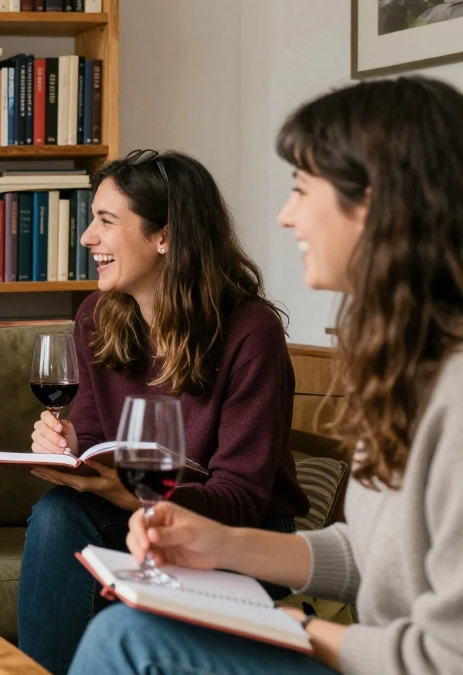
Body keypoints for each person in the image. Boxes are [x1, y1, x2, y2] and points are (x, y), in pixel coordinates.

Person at [68, 76, 463, 675]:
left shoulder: (455, 398)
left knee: (127, 637)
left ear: (383, 205)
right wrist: (219, 545)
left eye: (303, 189)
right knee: (111, 598)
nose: (285, 215)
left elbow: (444, 656)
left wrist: (291, 627)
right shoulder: (408, 370)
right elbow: (373, 558)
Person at [16, 150, 310, 673]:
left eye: (106, 222)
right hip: (139, 514)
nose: (87, 239)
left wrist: (125, 492)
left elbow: (241, 498)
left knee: (68, 523)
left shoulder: (250, 331)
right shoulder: (96, 315)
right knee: (59, 513)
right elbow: (92, 435)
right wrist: (68, 449)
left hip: (245, 535)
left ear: (165, 237)